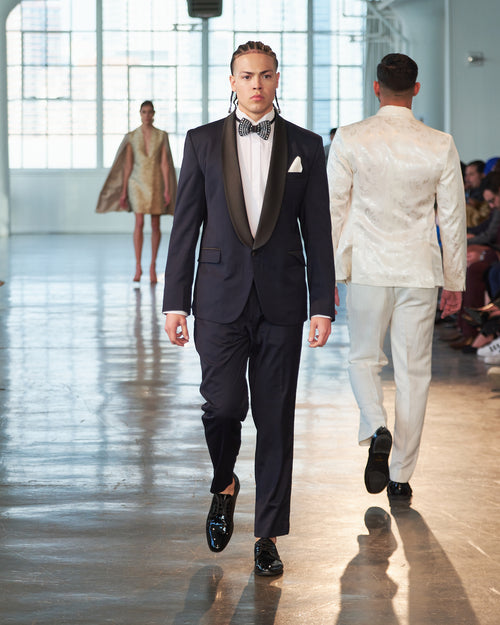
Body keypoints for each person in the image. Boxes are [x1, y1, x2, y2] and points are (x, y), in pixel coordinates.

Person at [162, 41, 336, 576]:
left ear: (277, 80)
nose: (256, 85)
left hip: (283, 300)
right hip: (216, 297)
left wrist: (322, 305)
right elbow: (185, 226)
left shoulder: (306, 144)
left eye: (265, 75)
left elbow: (319, 232)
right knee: (221, 406)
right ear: (232, 81)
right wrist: (174, 302)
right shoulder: (201, 142)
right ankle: (224, 482)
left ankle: (268, 535)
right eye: (246, 76)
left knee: (276, 418)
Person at [327, 53, 466, 505]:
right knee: (414, 372)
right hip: (420, 269)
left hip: (367, 266)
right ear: (416, 89)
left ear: (376, 88)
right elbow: (454, 218)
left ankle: (376, 425)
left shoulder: (350, 139)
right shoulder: (440, 143)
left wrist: (329, 273)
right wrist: (455, 281)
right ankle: (402, 475)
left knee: (364, 358)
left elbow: (334, 210)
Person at [96, 100, 177, 283]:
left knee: (155, 224)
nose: (147, 115)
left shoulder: (162, 135)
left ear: (154, 114)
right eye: (144, 112)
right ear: (140, 114)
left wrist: (167, 189)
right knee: (139, 222)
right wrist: (123, 191)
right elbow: (128, 165)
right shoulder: (132, 136)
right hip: (136, 183)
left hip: (156, 183)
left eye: (150, 112)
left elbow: (165, 164)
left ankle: (152, 267)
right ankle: (138, 266)